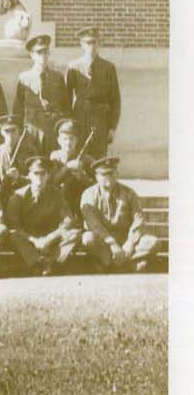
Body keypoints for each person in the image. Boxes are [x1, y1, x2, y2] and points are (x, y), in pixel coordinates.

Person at [79, 155, 158, 271]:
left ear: (116, 174)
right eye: (103, 174)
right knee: (87, 238)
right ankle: (119, 262)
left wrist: (130, 243)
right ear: (96, 176)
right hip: (104, 241)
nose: (108, 178)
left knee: (152, 241)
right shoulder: (89, 194)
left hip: (125, 238)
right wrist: (112, 243)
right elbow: (94, 225)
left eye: (111, 173)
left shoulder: (129, 193)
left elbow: (139, 220)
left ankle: (115, 262)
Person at [14, 155, 80, 274]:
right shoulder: (18, 195)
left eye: (43, 173)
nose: (39, 177)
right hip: (28, 238)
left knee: (75, 234)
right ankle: (36, 262)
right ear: (29, 175)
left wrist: (49, 238)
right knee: (12, 234)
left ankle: (49, 261)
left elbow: (68, 221)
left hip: (51, 237)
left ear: (48, 176)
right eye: (36, 173)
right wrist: (34, 240)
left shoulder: (56, 194)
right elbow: (15, 225)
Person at [66, 26, 120, 159]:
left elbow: (115, 100)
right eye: (88, 42)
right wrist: (69, 123)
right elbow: (66, 98)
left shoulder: (108, 68)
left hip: (100, 119)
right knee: (79, 155)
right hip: (80, 117)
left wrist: (112, 128)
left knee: (99, 157)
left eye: (95, 42)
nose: (92, 46)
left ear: (99, 43)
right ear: (82, 44)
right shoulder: (74, 67)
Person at [13, 34, 70, 155]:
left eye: (45, 52)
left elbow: (66, 106)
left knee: (52, 161)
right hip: (32, 129)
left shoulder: (58, 77)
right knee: (33, 161)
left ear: (49, 53)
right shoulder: (24, 78)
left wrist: (63, 129)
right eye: (39, 53)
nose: (43, 56)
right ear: (32, 55)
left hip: (53, 128)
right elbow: (17, 108)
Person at [0, 115, 32, 197]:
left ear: (19, 130)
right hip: (3, 197)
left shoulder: (30, 151)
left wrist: (19, 178)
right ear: (1, 132)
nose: (10, 134)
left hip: (25, 197)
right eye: (6, 131)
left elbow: (36, 179)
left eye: (13, 130)